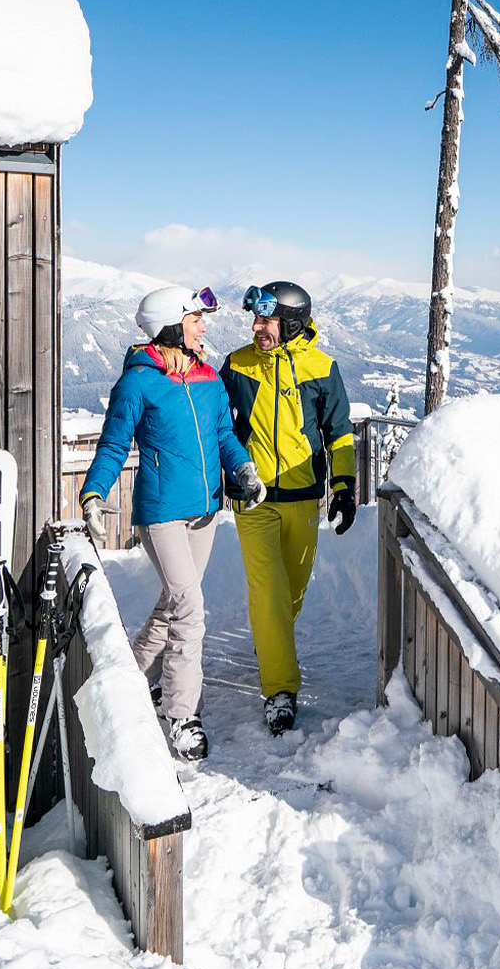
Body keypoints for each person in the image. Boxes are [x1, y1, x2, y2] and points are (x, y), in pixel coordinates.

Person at [79, 285, 265, 761]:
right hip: (161, 512)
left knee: (173, 605)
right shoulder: (139, 383)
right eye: (195, 320)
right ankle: (183, 716)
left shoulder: (208, 377)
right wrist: (94, 494)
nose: (203, 328)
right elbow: (114, 445)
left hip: (204, 510)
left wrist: (242, 468)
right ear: (170, 327)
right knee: (190, 610)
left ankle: (131, 682)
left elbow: (224, 434)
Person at [220, 281, 356, 736]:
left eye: (268, 320)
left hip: (302, 499)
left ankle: (269, 640)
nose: (258, 328)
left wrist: (345, 485)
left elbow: (338, 431)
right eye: (256, 320)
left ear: (293, 323)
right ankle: (280, 692)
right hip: (252, 499)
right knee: (271, 593)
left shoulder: (321, 367)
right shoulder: (237, 365)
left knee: (291, 594)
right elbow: (217, 424)